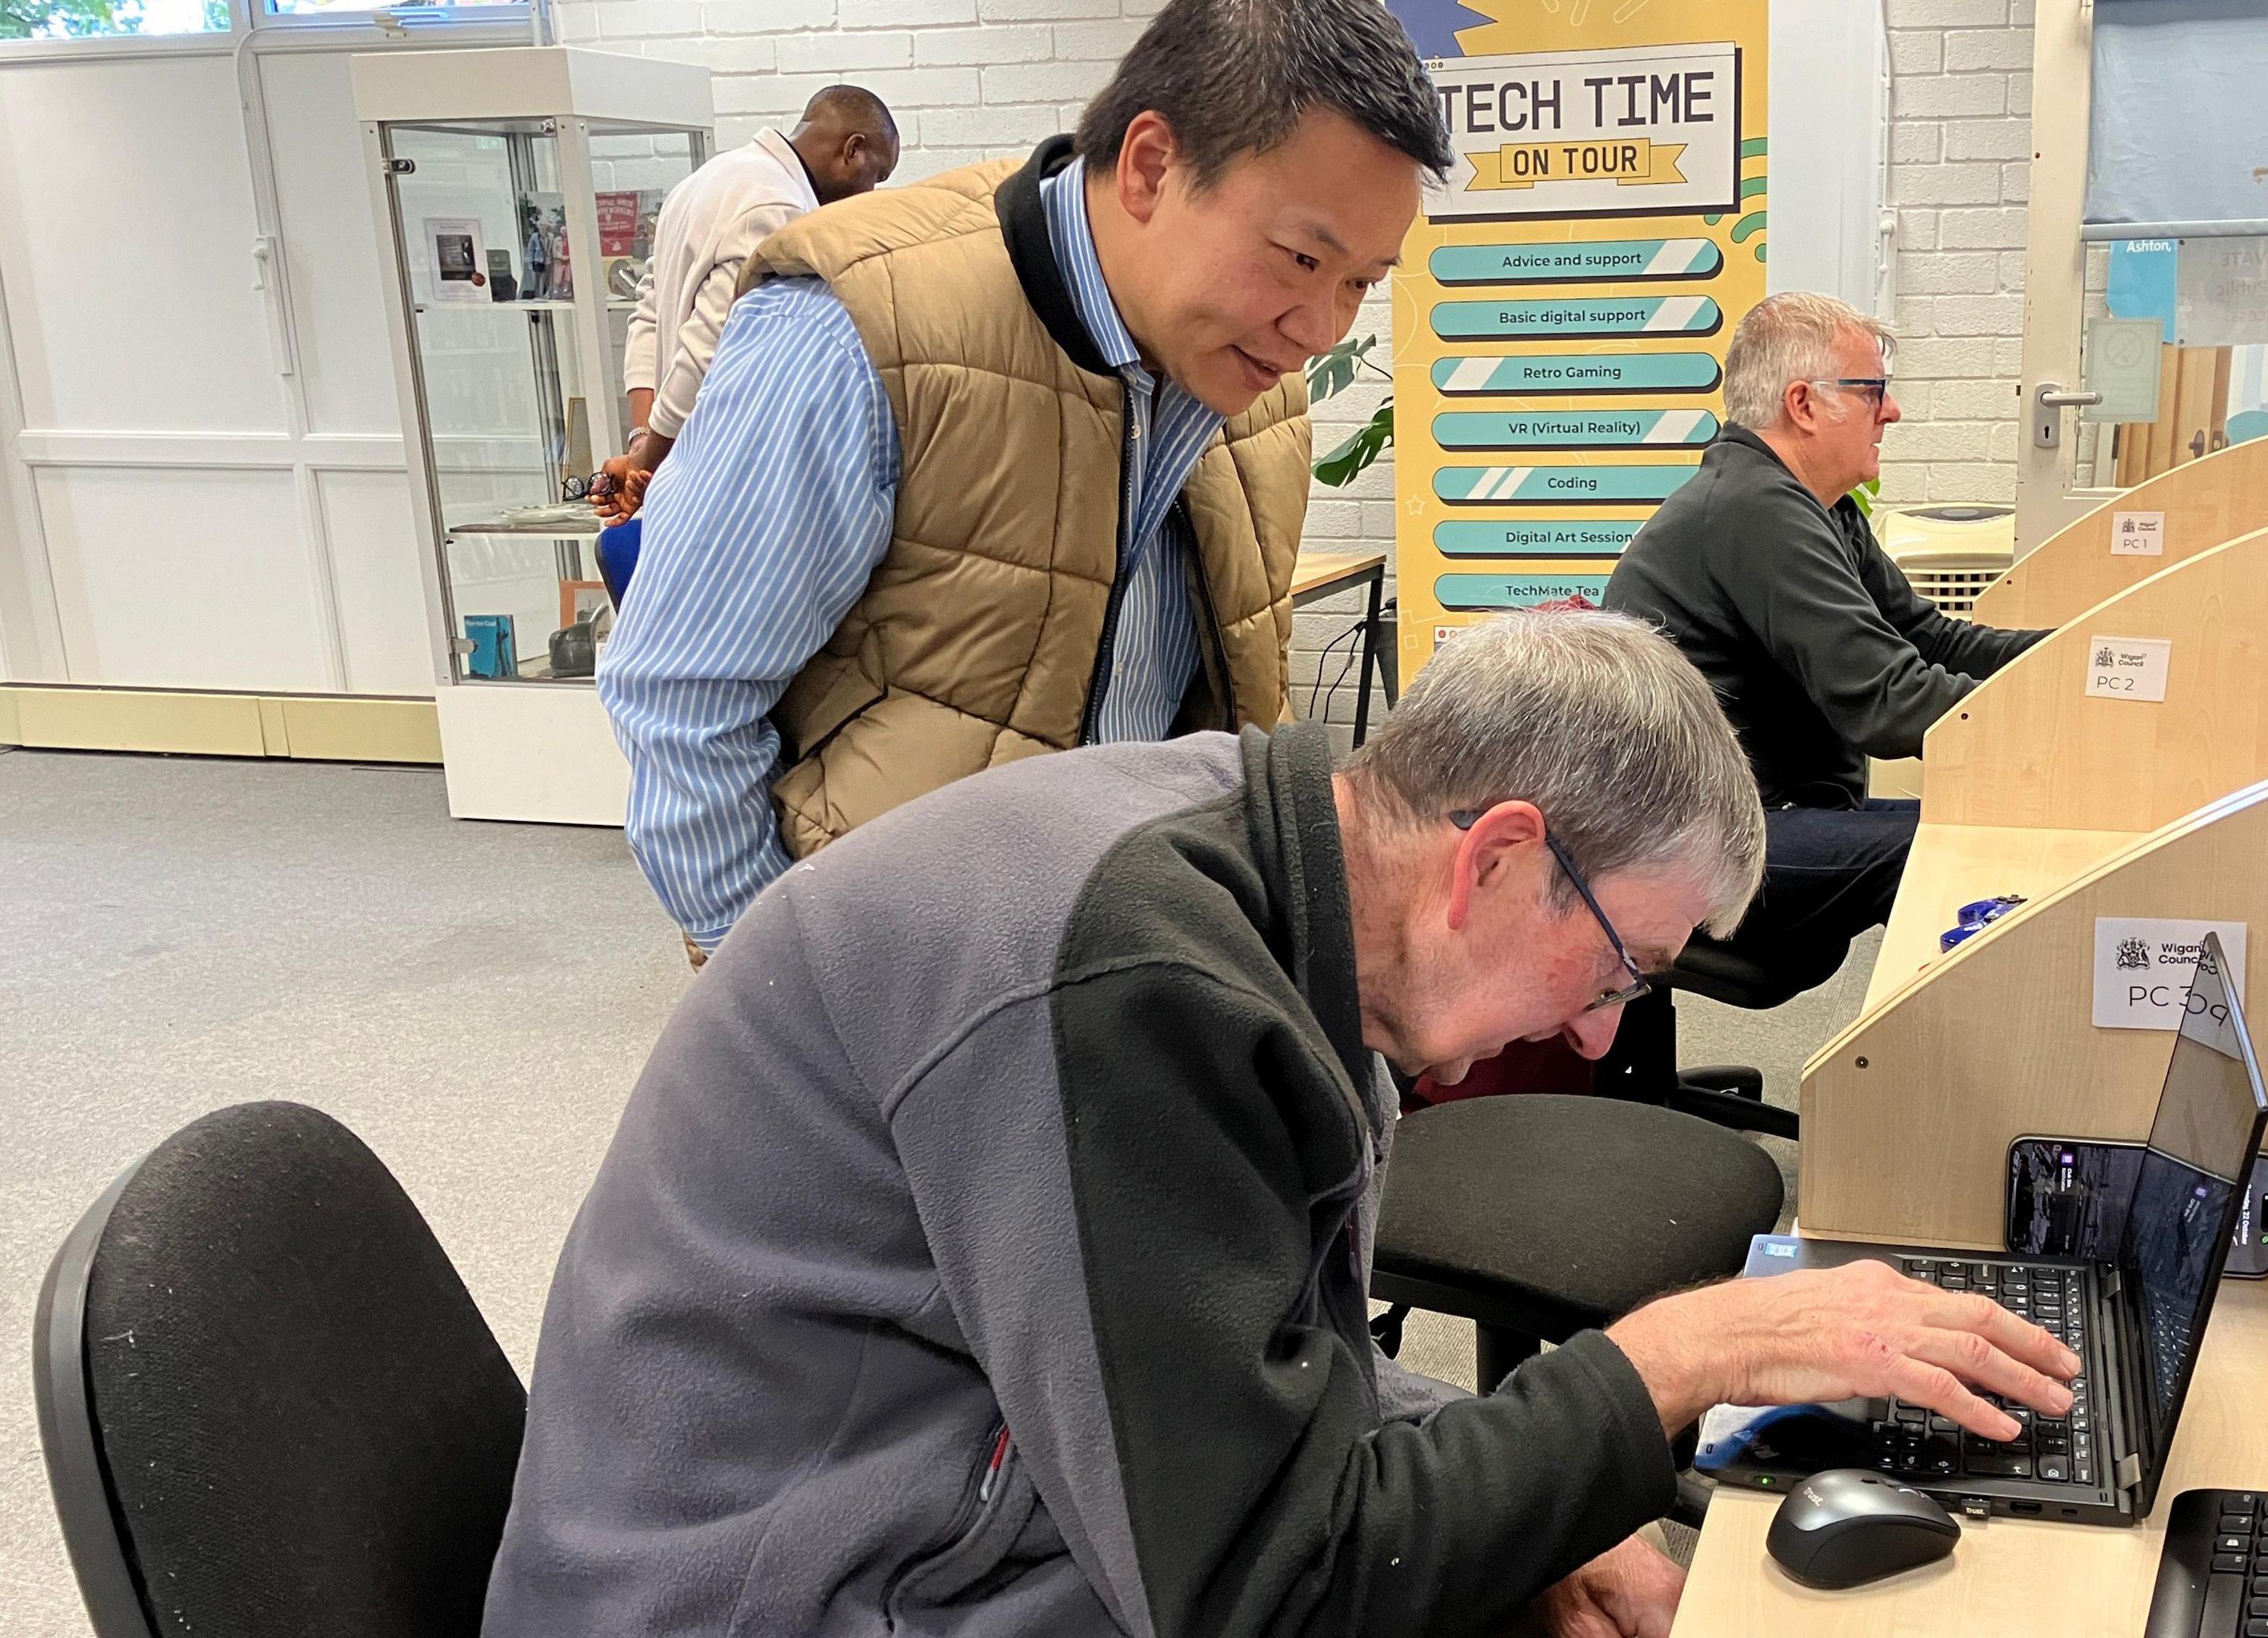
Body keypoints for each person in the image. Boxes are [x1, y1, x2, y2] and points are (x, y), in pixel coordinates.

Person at [481, 611, 2085, 1638]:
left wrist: (1516, 1502)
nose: (1604, 1031)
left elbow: (1260, 1371)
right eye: (1619, 966)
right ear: (1500, 859)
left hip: (952, 1481)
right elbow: (1266, 1592)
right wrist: (1683, 1360)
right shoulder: (1141, 983)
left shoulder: (1272, 855)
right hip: (765, 1589)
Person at [596, 0, 1445, 966]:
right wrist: (805, 1009)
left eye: (1362, 282)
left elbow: (1228, 710)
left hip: (1128, 979)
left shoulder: (1248, 368)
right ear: (1152, 167)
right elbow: (680, 697)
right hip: (895, 987)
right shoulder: (861, 332)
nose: (1321, 330)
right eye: (1302, 259)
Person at [1604, 291, 2049, 996]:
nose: (1891, 412)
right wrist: (2072, 722)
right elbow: (1889, 703)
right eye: (1873, 391)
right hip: (1698, 843)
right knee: (1955, 848)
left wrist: (2078, 659)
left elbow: (1930, 637)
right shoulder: (1754, 508)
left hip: (1764, 813)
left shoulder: (1819, 508)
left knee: (1986, 827)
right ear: (1805, 404)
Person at [596, 86, 901, 520]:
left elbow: (647, 316)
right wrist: (650, 462)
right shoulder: (779, 209)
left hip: (676, 463)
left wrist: (642, 441)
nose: (869, 193)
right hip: (711, 475)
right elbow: (706, 352)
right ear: (853, 150)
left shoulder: (708, 177)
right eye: (877, 175)